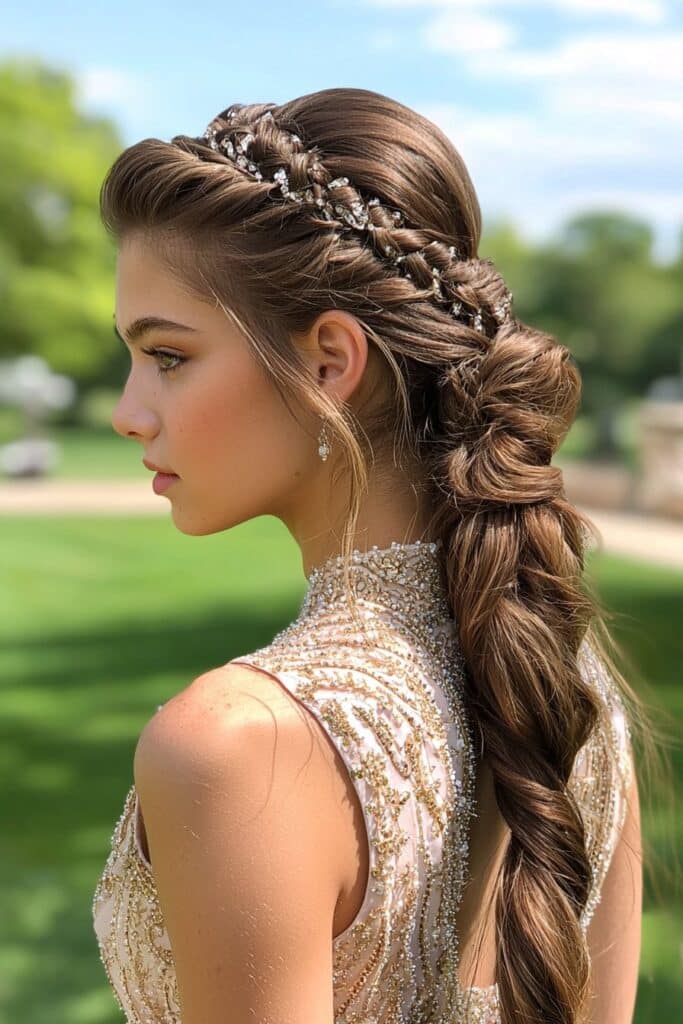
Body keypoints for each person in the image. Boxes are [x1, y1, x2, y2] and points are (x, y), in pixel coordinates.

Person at [92, 87, 644, 1024]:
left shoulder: (236, 745)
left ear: (328, 363)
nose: (127, 411)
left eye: (169, 357)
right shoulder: (565, 685)